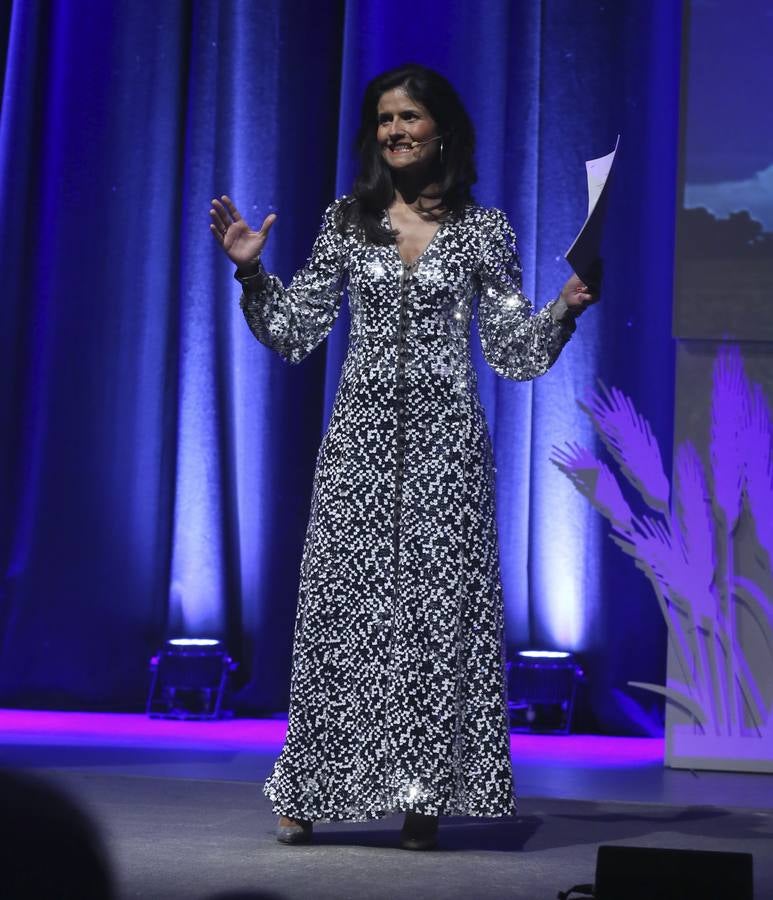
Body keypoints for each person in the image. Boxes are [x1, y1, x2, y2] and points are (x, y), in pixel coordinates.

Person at [209, 63, 599, 851]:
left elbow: (514, 353)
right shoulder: (347, 222)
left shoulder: (483, 230)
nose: (394, 131)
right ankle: (309, 789)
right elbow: (293, 331)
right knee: (341, 617)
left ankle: (423, 795)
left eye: (409, 117)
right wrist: (251, 270)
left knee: (432, 625)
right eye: (384, 119)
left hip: (446, 452)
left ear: (442, 130)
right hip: (357, 447)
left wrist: (561, 307)